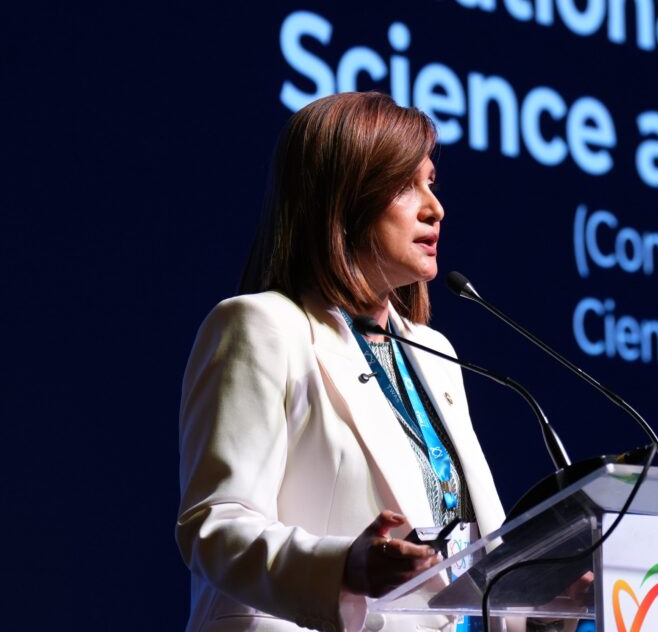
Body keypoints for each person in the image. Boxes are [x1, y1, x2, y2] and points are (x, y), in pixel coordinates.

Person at [176, 92, 507, 632]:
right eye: (406, 186)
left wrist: (545, 600)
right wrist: (343, 568)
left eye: (431, 182)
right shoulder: (262, 326)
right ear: (343, 200)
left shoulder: (436, 355)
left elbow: (472, 564)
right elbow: (215, 526)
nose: (435, 208)